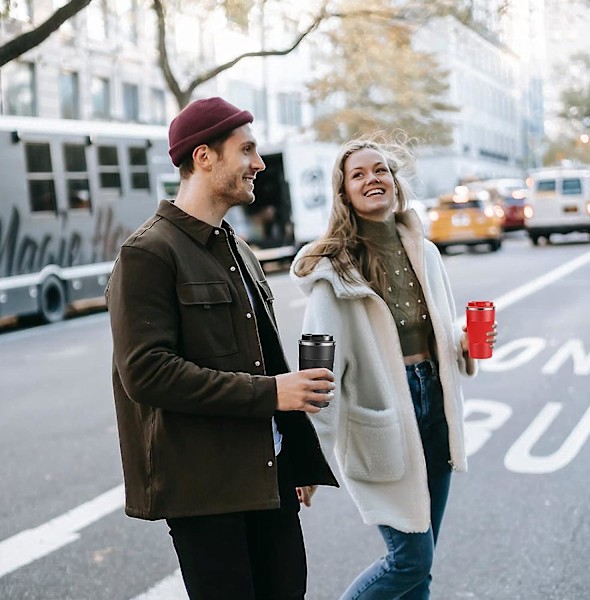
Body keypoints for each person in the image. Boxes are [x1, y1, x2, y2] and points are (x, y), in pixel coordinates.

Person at [105, 96, 338, 600]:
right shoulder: (147, 253)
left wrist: (294, 457)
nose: (260, 164)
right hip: (205, 492)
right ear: (204, 157)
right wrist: (271, 394)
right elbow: (145, 373)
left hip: (269, 480)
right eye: (247, 150)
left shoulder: (238, 248)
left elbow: (263, 359)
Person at [290, 135, 497, 599]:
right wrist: (308, 454)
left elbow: (439, 333)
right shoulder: (334, 269)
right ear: (344, 193)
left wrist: (464, 343)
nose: (372, 179)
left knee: (421, 569)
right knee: (408, 561)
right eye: (358, 174)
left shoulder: (428, 253)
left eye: (379, 170)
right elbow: (316, 366)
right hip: (382, 416)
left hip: (435, 406)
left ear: (395, 181)